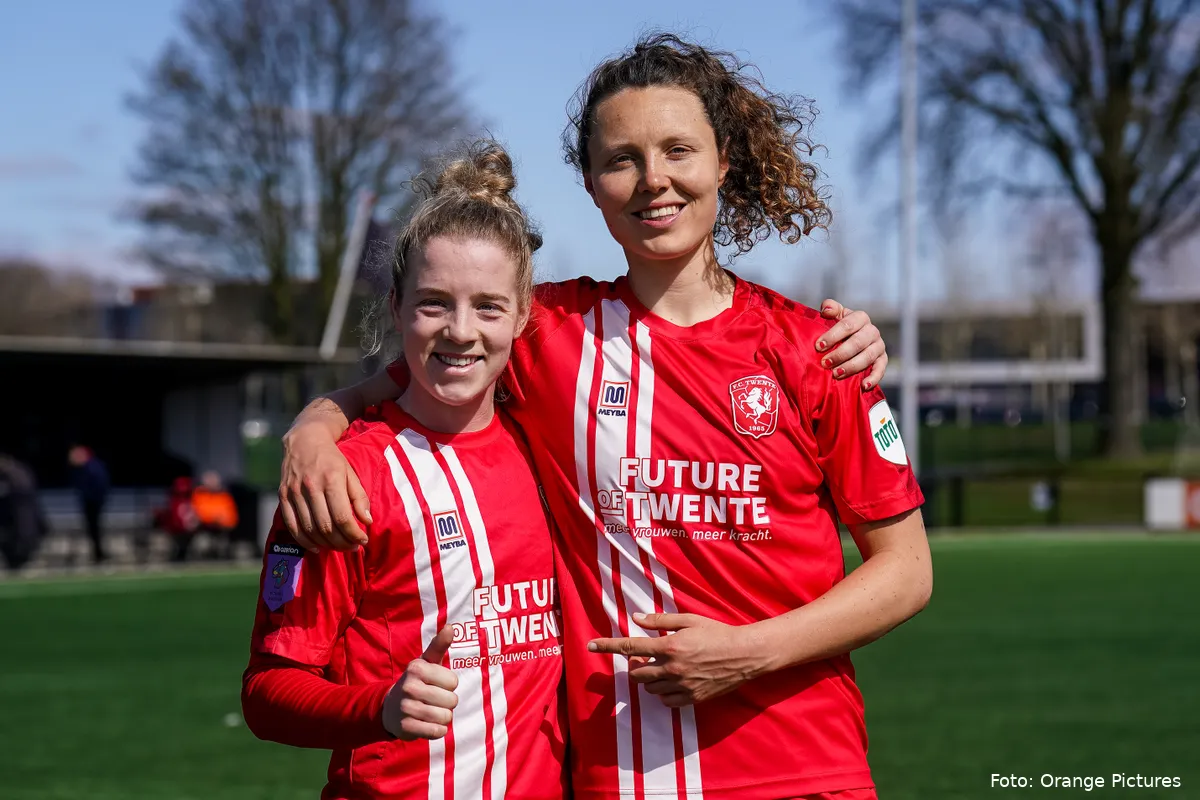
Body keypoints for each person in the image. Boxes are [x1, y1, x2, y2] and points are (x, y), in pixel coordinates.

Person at [282, 34, 931, 800]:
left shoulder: (820, 350)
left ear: (723, 160)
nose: (654, 179)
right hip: (620, 778)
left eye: (678, 150)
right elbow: (401, 382)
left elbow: (906, 571)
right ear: (591, 184)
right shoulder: (543, 335)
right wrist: (312, 431)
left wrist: (750, 652)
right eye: (622, 159)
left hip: (804, 771)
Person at [241, 141, 567, 799]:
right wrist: (380, 708)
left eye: (488, 306)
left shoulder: (550, 442)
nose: (461, 330)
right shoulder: (342, 477)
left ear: (522, 315)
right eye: (433, 303)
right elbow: (268, 690)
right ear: (395, 307)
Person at [68, 444, 109, 565]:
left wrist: (93, 498)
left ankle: (99, 554)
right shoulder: (83, 468)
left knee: (94, 529)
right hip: (91, 501)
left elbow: (99, 485)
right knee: (92, 529)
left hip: (93, 502)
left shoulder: (92, 467)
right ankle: (97, 553)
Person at [192, 470, 239, 559]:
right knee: (202, 546)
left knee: (223, 548)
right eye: (209, 481)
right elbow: (198, 514)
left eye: (213, 481)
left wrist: (221, 520)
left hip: (221, 532)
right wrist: (213, 518)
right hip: (204, 531)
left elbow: (231, 518)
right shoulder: (198, 495)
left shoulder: (225, 497)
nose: (212, 483)